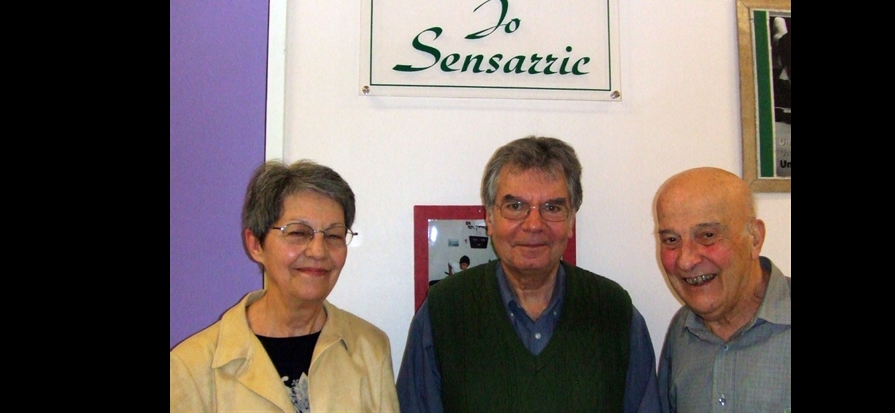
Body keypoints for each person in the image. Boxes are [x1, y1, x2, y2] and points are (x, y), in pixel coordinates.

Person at [397, 136, 660, 413]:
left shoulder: (616, 313)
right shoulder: (443, 312)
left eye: (552, 208)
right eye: (515, 206)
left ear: (571, 220)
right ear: (489, 219)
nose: (534, 225)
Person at [170, 159, 400, 413]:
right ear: (255, 244)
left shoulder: (370, 349)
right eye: (298, 233)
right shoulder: (191, 367)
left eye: (334, 235)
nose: (318, 251)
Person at [653, 167, 790, 412]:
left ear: (755, 238)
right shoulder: (682, 331)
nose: (686, 261)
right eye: (671, 240)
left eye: (707, 235)